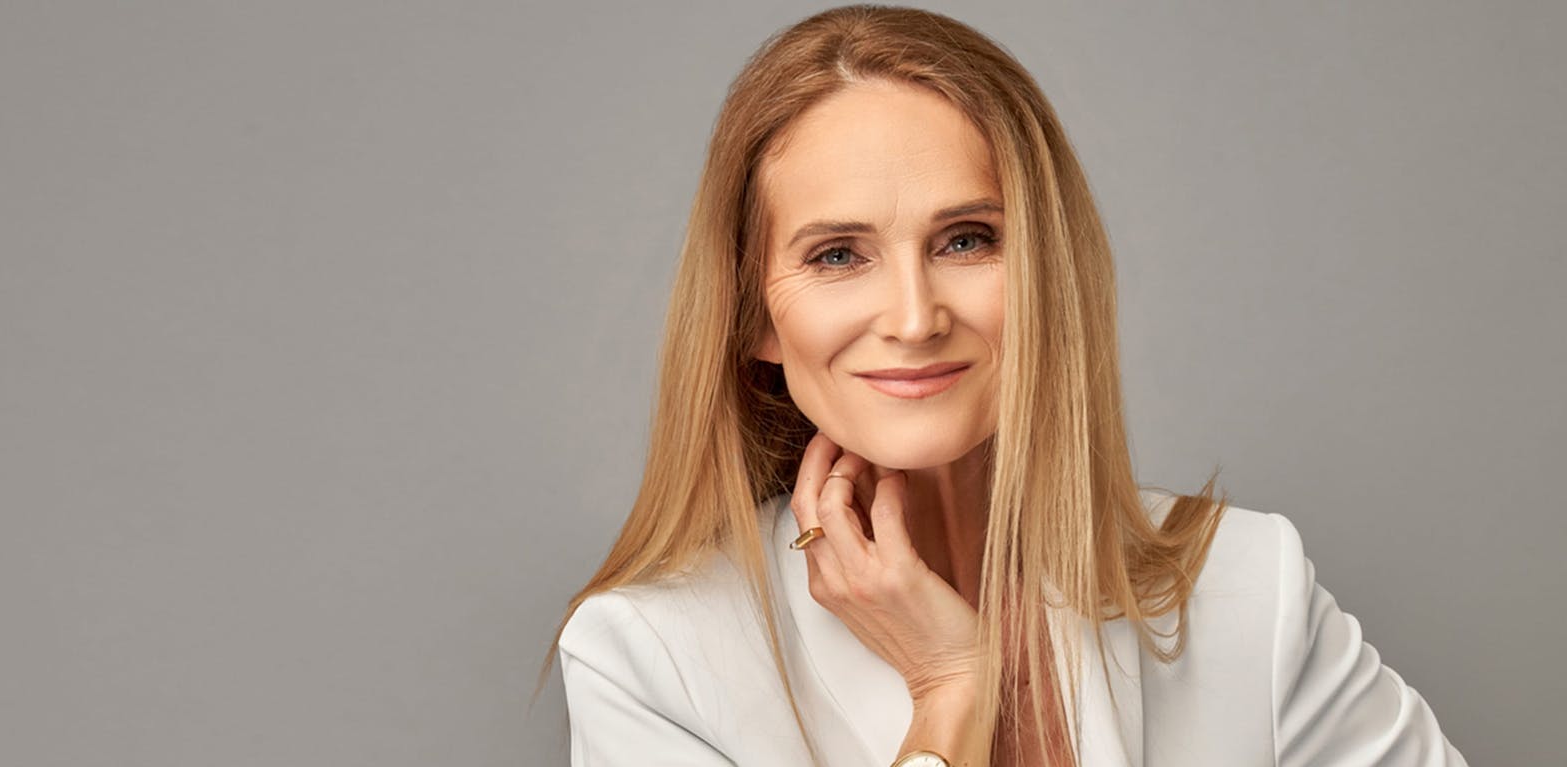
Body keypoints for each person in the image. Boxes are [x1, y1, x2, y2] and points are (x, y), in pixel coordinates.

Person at [533, 5, 1468, 766]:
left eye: (966, 240)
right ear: (757, 319)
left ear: (1049, 269)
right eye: (838, 254)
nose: (913, 315)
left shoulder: (1247, 587)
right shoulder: (649, 659)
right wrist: (951, 691)